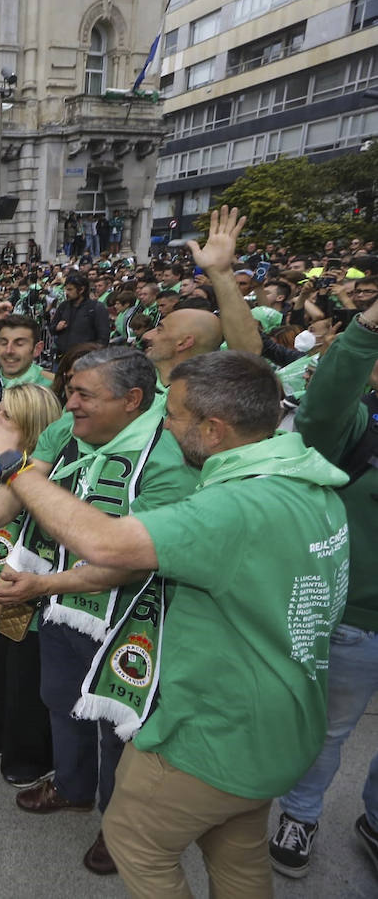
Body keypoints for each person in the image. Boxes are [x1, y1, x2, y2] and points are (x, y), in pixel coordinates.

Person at [0, 350, 350, 898]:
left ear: (214, 429)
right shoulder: (309, 484)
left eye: (171, 415)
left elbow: (103, 544)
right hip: (280, 725)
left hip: (213, 734)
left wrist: (11, 462)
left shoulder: (236, 507)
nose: (163, 423)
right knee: (238, 857)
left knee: (135, 844)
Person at [0, 346, 200, 875]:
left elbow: (132, 562)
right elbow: (26, 484)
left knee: (118, 728)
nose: (70, 403)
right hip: (64, 608)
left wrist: (43, 584)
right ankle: (71, 786)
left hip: (130, 619)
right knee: (59, 699)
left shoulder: (167, 458)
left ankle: (119, 826)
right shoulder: (70, 427)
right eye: (71, 391)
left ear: (132, 400)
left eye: (84, 394)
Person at [269, 291, 378, 878]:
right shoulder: (355, 426)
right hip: (358, 622)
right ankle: (301, 815)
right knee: (330, 729)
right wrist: (365, 328)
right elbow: (322, 408)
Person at [50, 271, 111, 354]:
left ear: (81, 289)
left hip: (85, 358)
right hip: (63, 357)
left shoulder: (96, 308)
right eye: (66, 289)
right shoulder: (63, 306)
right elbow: (52, 328)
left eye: (70, 289)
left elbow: (103, 336)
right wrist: (56, 328)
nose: (67, 293)